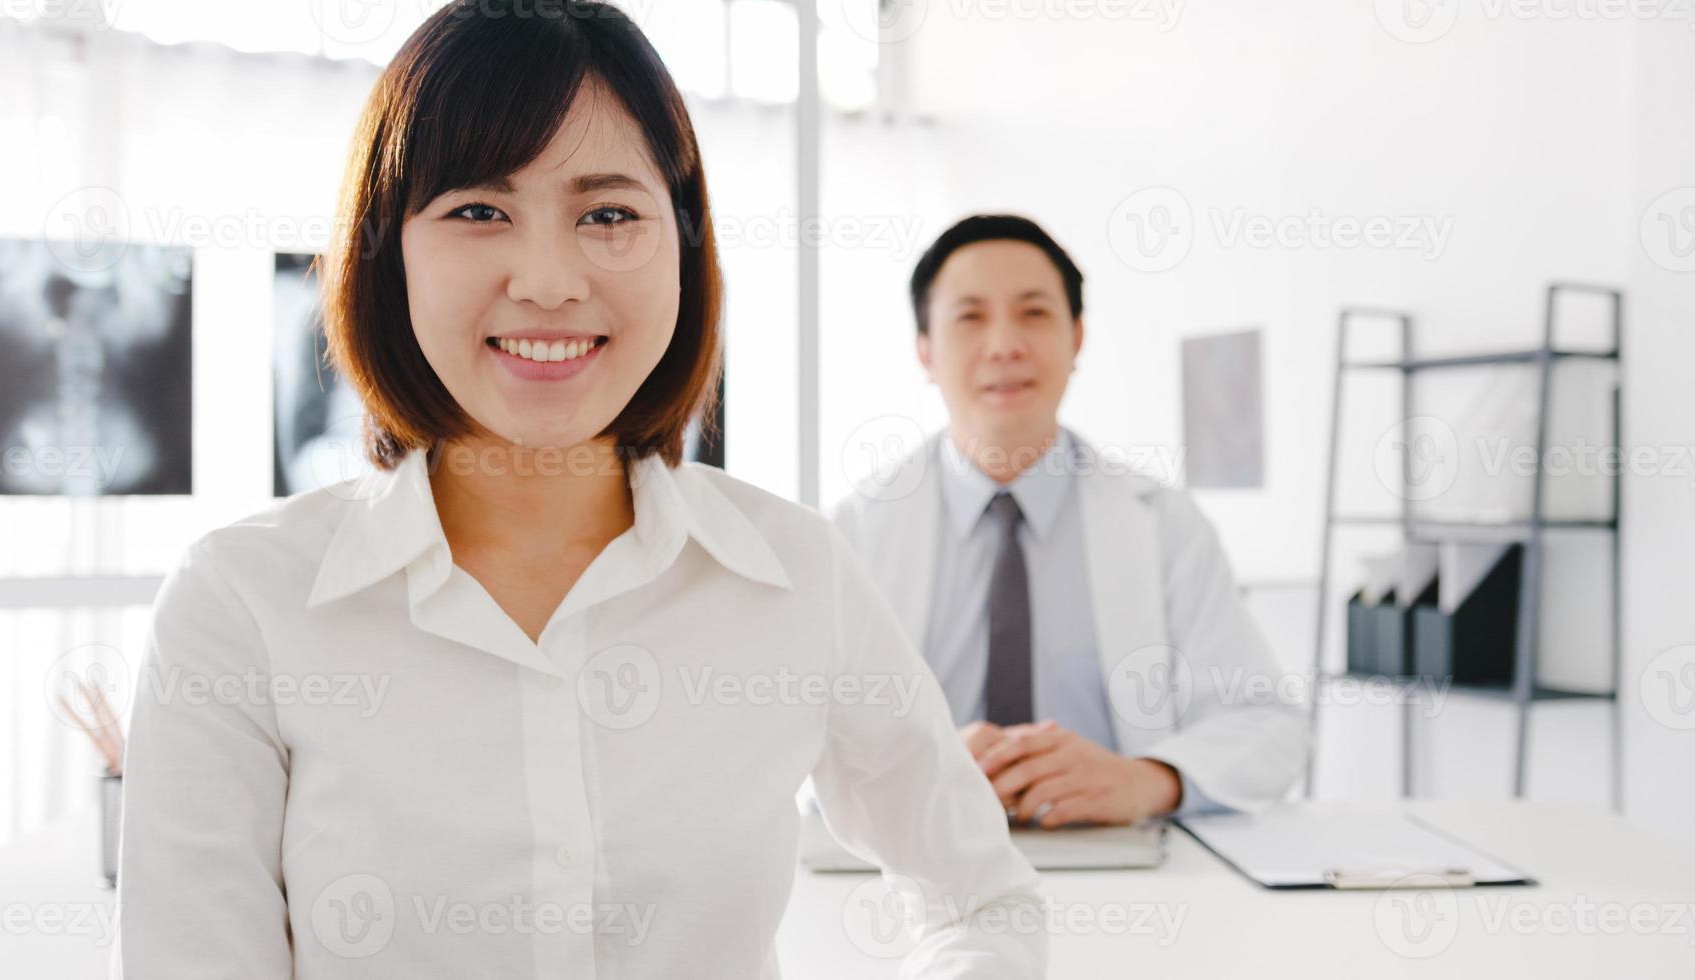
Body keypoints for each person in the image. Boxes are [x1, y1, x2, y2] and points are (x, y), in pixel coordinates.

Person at [111, 9, 1044, 978]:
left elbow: (981, 899)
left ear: (681, 245)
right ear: (389, 253)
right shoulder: (240, 601)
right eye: (478, 210)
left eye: (608, 214)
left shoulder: (794, 573)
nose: (550, 282)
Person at [831, 215, 1309, 829]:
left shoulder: (1165, 526)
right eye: (970, 317)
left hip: (1122, 862)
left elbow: (1267, 727)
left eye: (1034, 313)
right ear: (925, 350)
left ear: (1077, 339)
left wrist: (1147, 779)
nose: (1005, 344)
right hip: (919, 864)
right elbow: (796, 740)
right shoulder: (855, 531)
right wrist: (914, 765)